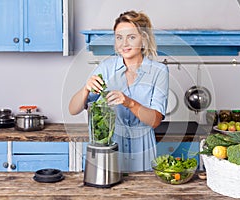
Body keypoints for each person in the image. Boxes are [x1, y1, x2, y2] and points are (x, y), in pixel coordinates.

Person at [69, 10, 169, 172]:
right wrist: (85, 89)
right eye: (119, 37)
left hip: (142, 151)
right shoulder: (105, 68)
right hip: (109, 150)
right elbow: (73, 109)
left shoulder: (159, 71)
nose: (124, 44)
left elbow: (155, 120)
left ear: (143, 39)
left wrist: (129, 102)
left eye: (131, 37)